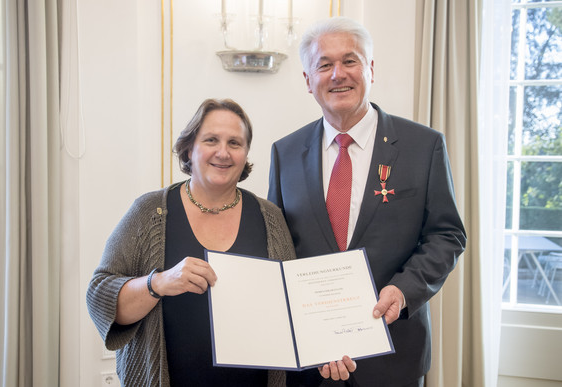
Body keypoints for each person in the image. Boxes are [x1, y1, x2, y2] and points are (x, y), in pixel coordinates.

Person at [267, 17, 467, 387]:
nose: (337, 74)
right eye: (324, 65)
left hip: (393, 352)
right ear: (308, 81)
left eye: (350, 61)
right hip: (310, 358)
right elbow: (277, 248)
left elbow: (447, 235)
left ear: (370, 69)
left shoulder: (423, 146)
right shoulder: (285, 153)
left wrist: (405, 290)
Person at [86, 98, 298, 386]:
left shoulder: (270, 217)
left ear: (246, 153)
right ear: (189, 148)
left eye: (235, 143)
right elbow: (100, 294)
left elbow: (294, 304)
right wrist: (158, 283)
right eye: (211, 140)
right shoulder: (148, 212)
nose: (223, 152)